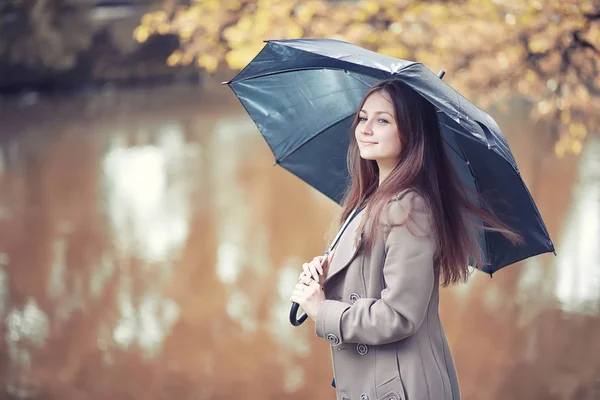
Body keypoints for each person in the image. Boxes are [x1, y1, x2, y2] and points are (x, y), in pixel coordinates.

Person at [289, 79, 520, 400]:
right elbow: (368, 278)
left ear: (410, 133)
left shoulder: (410, 207)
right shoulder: (370, 199)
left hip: (400, 386)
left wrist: (322, 310)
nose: (365, 129)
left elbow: (399, 315)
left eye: (382, 120)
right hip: (375, 380)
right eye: (363, 117)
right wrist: (327, 277)